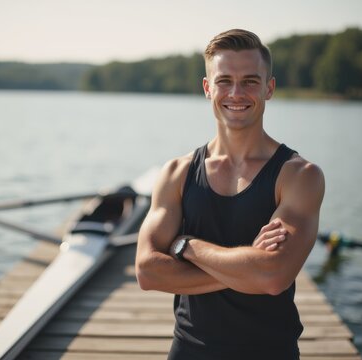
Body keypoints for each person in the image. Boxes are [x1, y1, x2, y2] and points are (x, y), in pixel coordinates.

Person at [135, 29, 325, 360]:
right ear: (208, 88)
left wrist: (187, 246)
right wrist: (247, 265)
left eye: (251, 81)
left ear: (269, 88)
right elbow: (148, 271)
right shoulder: (176, 173)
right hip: (188, 350)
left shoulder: (299, 176)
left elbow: (272, 276)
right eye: (224, 81)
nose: (236, 93)